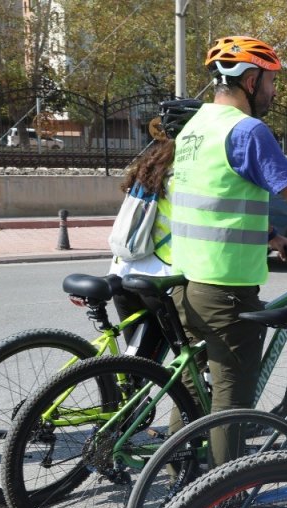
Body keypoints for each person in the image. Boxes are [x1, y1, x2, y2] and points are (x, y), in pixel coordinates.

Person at [168, 36, 287, 465]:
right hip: (225, 286)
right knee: (231, 401)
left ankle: (179, 474)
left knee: (196, 386)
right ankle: (226, 505)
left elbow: (216, 197)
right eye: (271, 83)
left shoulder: (195, 127)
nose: (273, 93)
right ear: (251, 80)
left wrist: (269, 234)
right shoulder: (247, 130)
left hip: (183, 278)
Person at [109, 99, 200, 355]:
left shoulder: (150, 165)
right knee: (192, 362)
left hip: (124, 273)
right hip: (161, 280)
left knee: (138, 366)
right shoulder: (190, 171)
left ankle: (119, 394)